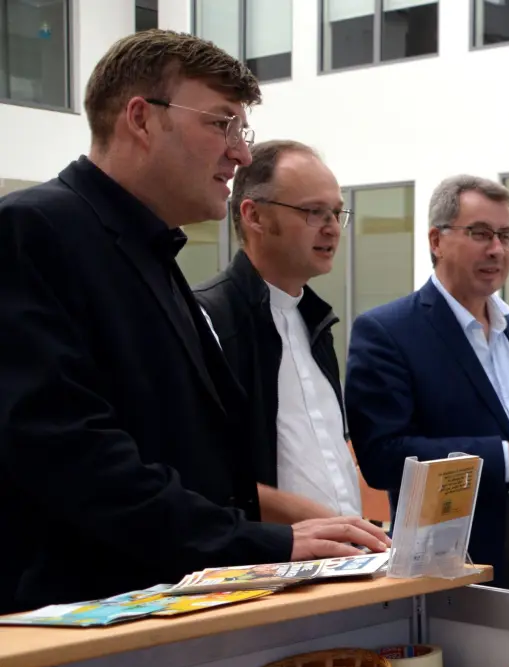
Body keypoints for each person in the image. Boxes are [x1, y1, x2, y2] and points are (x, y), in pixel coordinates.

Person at [0, 31, 386, 613]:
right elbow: (69, 453)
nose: (241, 154)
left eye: (241, 131)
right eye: (220, 124)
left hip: (171, 612)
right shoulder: (32, 232)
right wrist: (260, 543)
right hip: (74, 630)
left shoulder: (154, 257)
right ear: (141, 118)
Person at [345, 175, 509, 578]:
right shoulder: (388, 331)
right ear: (436, 241)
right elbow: (383, 457)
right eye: (480, 233)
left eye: (506, 235)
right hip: (454, 569)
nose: (497, 249)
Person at [196, 140, 364, 524]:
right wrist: (302, 518)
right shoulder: (208, 319)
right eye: (314, 212)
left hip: (344, 567)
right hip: (261, 571)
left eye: (338, 213)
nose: (332, 228)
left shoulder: (316, 320)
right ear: (254, 216)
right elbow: (196, 473)